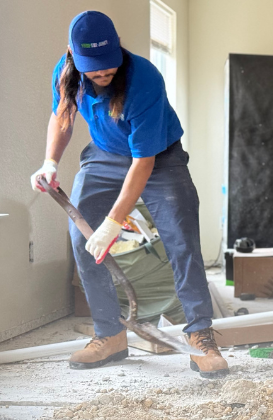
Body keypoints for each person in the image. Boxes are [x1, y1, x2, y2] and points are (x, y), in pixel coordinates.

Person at [30, 10, 228, 378]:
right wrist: (50, 162)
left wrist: (113, 223)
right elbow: (62, 115)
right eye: (94, 68)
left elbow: (144, 163)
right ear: (73, 56)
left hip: (159, 158)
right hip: (104, 155)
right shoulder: (65, 71)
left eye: (109, 65)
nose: (104, 73)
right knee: (82, 238)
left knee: (182, 241)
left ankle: (200, 336)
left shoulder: (144, 79)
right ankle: (110, 335)